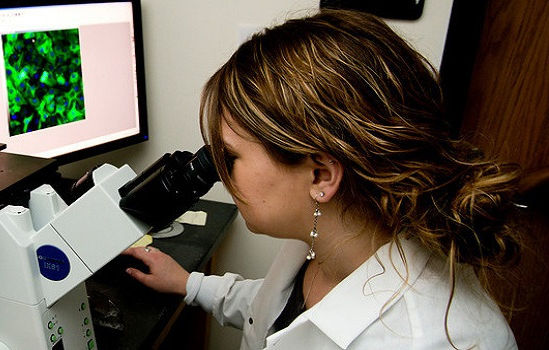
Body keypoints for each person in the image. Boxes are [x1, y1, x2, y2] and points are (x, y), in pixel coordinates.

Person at [121, 9, 522, 350]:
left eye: (231, 156)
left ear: (321, 175)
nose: (221, 175)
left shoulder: (432, 339)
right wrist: (189, 284)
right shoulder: (335, 233)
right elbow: (270, 310)